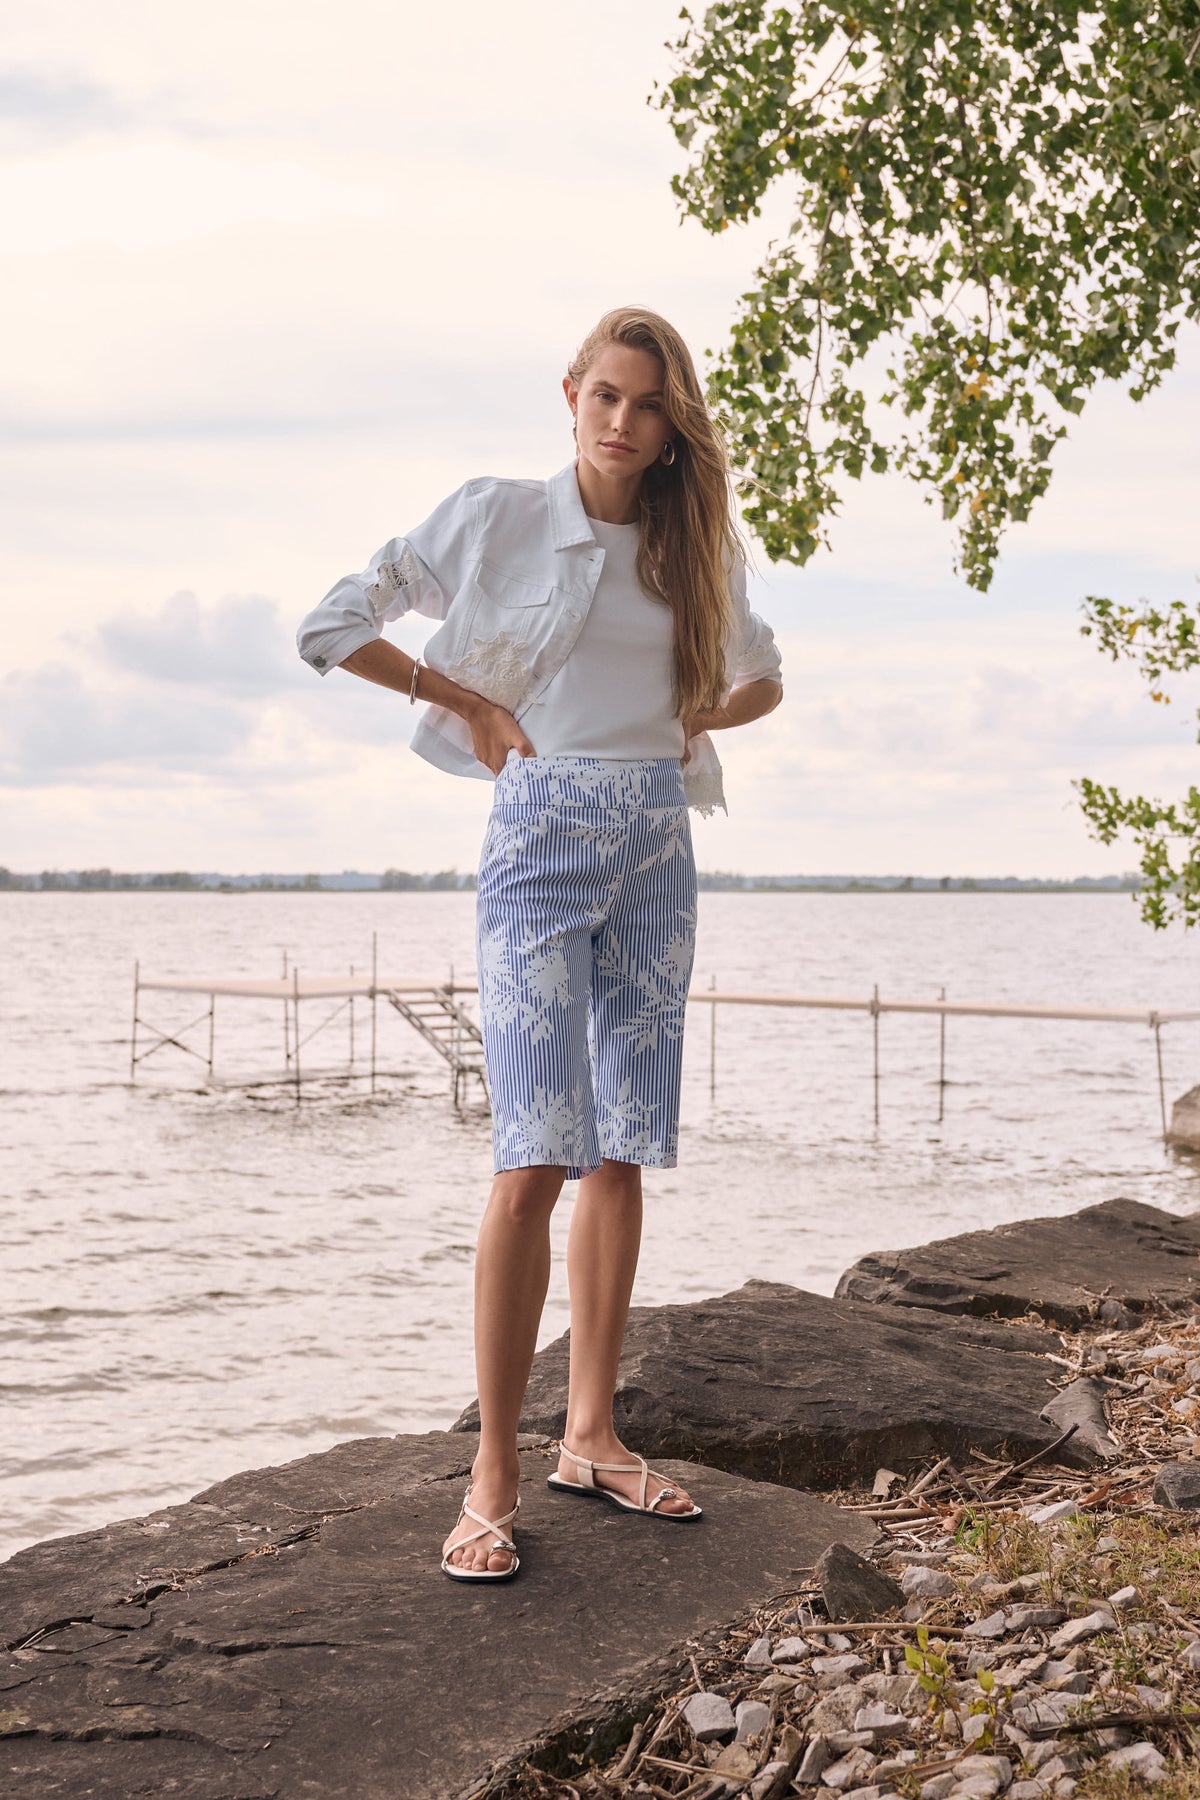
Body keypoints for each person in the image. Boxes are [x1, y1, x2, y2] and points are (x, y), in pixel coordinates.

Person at [297, 306, 783, 1582]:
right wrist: (463, 698)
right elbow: (332, 624)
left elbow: (766, 676)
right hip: (540, 843)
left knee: (621, 1149)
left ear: (674, 428)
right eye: (606, 395)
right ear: (570, 395)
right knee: (532, 1157)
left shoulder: (693, 547)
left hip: (657, 851)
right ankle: (492, 1473)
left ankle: (591, 1438)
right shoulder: (494, 517)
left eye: (649, 404)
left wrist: (694, 712)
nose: (623, 421)